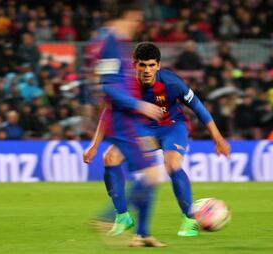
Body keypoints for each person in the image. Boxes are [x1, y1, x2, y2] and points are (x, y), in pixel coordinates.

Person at [84, 42, 231, 237]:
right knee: (109, 158)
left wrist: (218, 138)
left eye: (152, 65)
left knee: (172, 164)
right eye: (143, 65)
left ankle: (189, 219)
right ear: (135, 64)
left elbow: (198, 108)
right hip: (145, 131)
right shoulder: (125, 86)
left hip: (172, 127)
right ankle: (123, 217)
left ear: (159, 65)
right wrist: (94, 146)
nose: (147, 70)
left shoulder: (172, 82)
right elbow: (108, 113)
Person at [88, 8, 166, 247]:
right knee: (153, 175)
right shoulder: (110, 43)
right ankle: (108, 217)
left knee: (150, 171)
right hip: (125, 122)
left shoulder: (112, 43)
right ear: (127, 15)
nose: (138, 24)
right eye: (136, 19)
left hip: (131, 122)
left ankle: (142, 234)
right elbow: (107, 87)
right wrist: (139, 105)